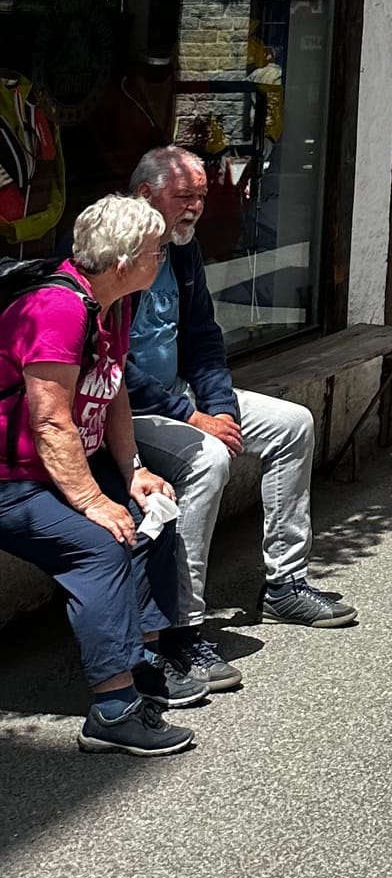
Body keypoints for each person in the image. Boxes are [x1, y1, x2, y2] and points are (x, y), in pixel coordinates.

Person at [0, 192, 205, 755]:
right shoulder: (59, 309)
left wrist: (133, 470)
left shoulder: (113, 302)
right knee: (99, 544)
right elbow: (48, 422)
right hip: (11, 476)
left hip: (55, 466)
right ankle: (112, 711)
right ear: (123, 262)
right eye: (156, 250)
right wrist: (94, 502)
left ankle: (141, 661)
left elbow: (110, 388)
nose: (164, 257)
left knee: (151, 513)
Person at [127, 145, 355, 646]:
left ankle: (285, 584)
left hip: (180, 395)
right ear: (145, 194)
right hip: (129, 412)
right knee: (208, 458)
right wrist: (191, 415)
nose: (196, 207)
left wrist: (220, 408)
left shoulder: (182, 245)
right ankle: (181, 626)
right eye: (184, 195)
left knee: (293, 424)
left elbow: (205, 339)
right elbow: (110, 367)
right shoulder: (117, 251)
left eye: (202, 196)